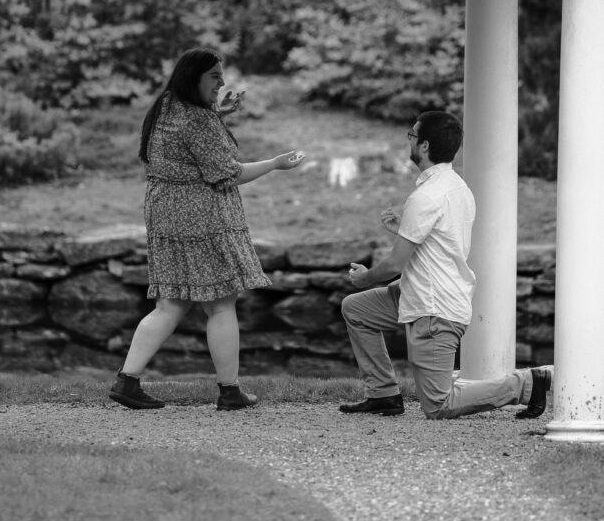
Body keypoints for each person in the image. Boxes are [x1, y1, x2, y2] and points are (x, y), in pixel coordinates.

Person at [109, 47, 305, 412]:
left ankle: (127, 380)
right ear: (193, 77)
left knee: (170, 304)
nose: (223, 82)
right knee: (220, 304)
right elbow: (229, 173)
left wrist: (219, 113)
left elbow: (190, 143)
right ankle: (230, 392)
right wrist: (276, 164)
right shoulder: (198, 122)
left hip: (165, 213)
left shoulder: (167, 105)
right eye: (215, 76)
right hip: (199, 217)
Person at [339, 110, 553, 420]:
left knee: (438, 405)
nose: (408, 141)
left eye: (412, 136)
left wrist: (364, 278)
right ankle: (383, 394)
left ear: (424, 146)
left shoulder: (425, 196)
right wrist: (403, 227)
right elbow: (438, 239)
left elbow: (394, 264)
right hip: (417, 293)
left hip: (434, 309)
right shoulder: (456, 187)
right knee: (357, 309)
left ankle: (527, 383)